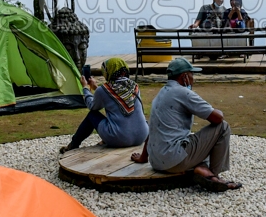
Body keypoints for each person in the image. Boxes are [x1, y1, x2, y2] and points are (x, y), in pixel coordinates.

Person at [130, 58, 241, 192]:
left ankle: (202, 169)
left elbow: (153, 128)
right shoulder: (183, 93)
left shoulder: (160, 94)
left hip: (156, 162)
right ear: (185, 77)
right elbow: (218, 119)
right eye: (192, 74)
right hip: (174, 161)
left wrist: (143, 157)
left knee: (193, 140)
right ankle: (213, 175)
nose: (193, 78)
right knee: (223, 127)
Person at [60, 57, 149, 154]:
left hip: (120, 139)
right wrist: (96, 88)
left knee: (92, 115)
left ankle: (73, 144)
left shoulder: (104, 90)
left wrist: (85, 88)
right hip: (142, 136)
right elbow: (116, 98)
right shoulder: (135, 86)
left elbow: (92, 106)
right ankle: (106, 140)